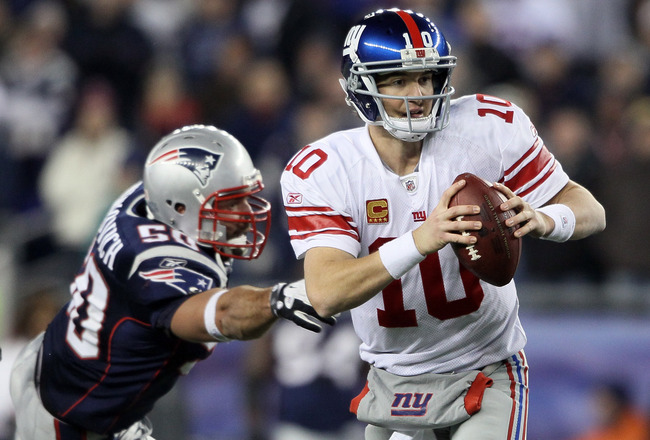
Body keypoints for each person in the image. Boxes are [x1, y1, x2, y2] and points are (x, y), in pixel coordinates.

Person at [280, 8, 606, 440]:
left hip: (484, 367)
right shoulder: (324, 168)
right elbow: (325, 293)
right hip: (394, 378)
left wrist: (547, 218)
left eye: (426, 77)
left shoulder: (488, 128)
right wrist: (419, 240)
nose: (417, 93)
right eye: (398, 79)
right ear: (363, 86)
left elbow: (590, 209)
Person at [10, 124, 334, 440]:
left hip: (70, 373)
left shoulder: (148, 200)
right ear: (180, 207)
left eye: (244, 197)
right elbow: (222, 316)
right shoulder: (156, 261)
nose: (246, 212)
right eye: (229, 203)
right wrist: (276, 300)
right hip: (72, 416)